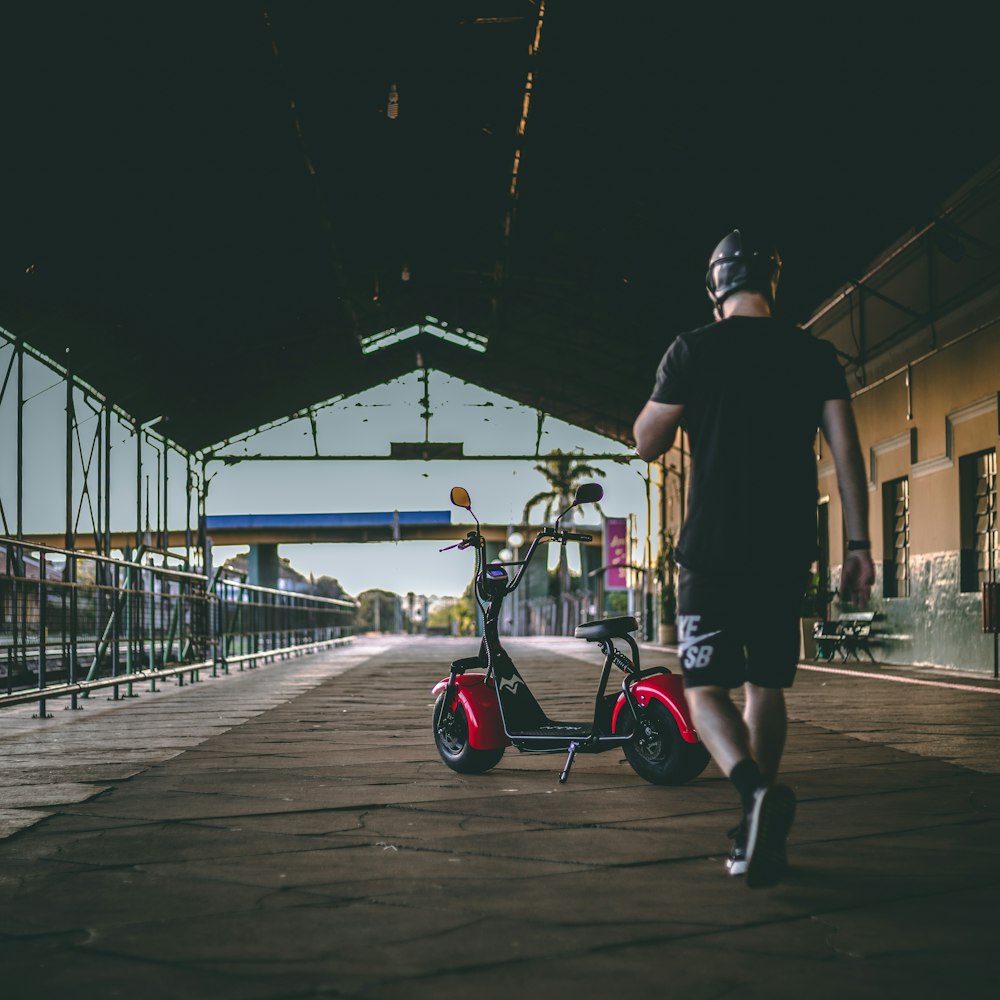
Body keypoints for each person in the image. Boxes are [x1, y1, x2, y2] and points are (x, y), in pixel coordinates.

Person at [632, 230, 875, 888]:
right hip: (786, 548)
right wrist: (858, 544)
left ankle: (752, 794)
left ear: (716, 288)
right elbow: (847, 453)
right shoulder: (813, 354)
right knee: (765, 687)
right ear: (771, 285)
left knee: (706, 688)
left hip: (712, 550)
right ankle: (756, 821)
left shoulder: (693, 349)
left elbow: (645, 441)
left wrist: (678, 391)